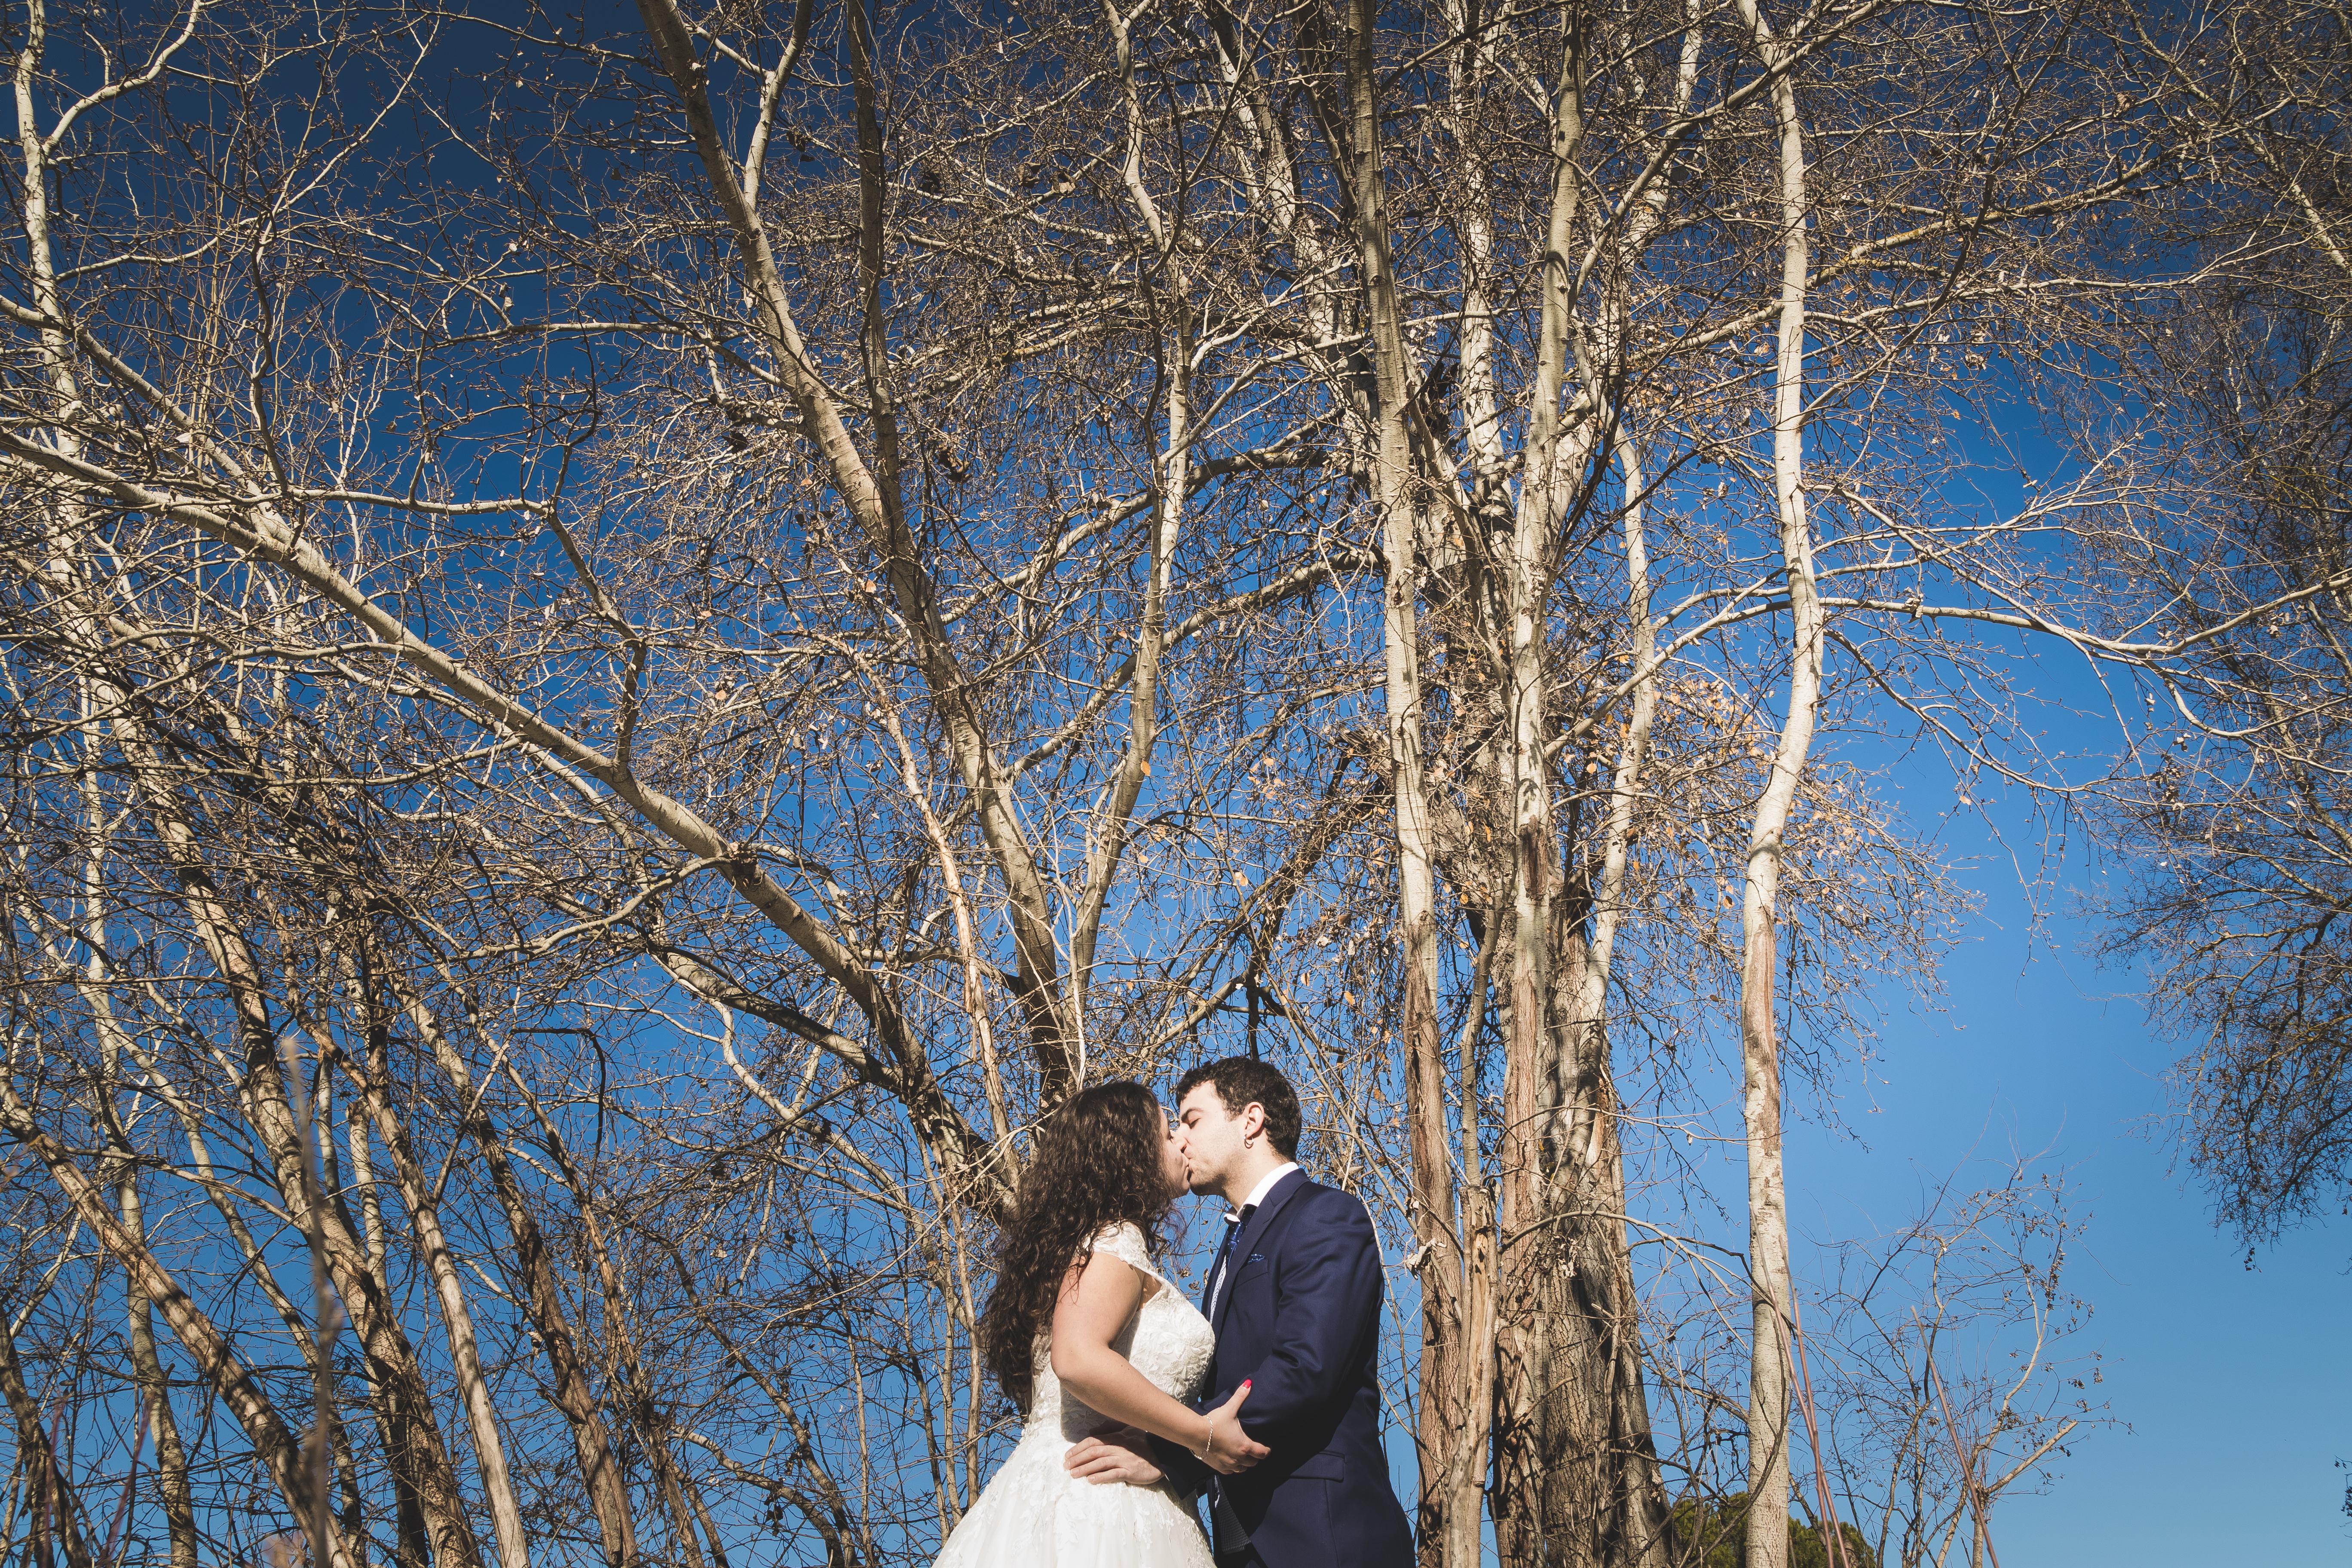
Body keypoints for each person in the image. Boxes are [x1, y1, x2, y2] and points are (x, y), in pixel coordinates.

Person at [1064, 1057, 1414, 1568]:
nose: (1181, 1139)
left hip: (1321, 1535)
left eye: (1192, 1120)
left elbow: (1304, 1368)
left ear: (1251, 1122)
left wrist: (1170, 1450)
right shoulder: (1229, 1248)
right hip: (1241, 1545)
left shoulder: (1326, 1215)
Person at [938, 1081, 1268, 1568]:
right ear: (1128, 1155)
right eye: (1165, 1133)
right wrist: (1201, 1436)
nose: (1180, 1140)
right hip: (1097, 1511)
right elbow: (1077, 1357)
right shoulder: (1114, 1241)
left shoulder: (1088, 1248)